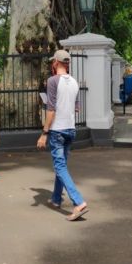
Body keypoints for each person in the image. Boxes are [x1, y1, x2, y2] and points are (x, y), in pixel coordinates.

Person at [37, 49, 88, 221]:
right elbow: (76, 107)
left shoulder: (52, 81)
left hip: (57, 130)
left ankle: (78, 202)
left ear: (56, 63)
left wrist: (44, 133)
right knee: (62, 166)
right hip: (71, 130)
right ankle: (56, 198)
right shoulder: (74, 82)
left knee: (59, 167)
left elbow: (51, 110)